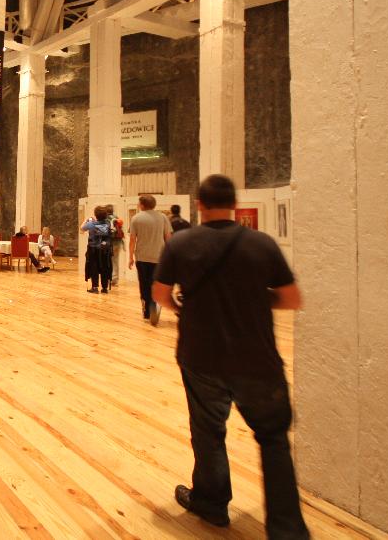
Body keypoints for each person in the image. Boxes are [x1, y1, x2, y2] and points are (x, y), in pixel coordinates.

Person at [152, 174, 308, 539]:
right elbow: (291, 299)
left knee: (208, 432)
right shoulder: (261, 243)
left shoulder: (182, 243)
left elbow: (160, 294)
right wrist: (254, 299)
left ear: (200, 205)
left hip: (201, 355)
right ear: (235, 205)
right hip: (257, 359)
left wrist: (181, 307)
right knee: (273, 439)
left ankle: (212, 503)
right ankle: (287, 528)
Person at [129, 194, 172, 323]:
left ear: (142, 205)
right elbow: (168, 237)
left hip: (142, 257)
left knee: (144, 284)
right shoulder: (163, 217)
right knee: (155, 283)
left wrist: (130, 257)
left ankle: (147, 311)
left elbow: (132, 240)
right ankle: (154, 305)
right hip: (159, 257)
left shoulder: (136, 218)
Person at [81, 206, 113, 293]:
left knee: (93, 267)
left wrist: (86, 220)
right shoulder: (107, 224)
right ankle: (104, 288)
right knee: (105, 268)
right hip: (104, 250)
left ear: (96, 214)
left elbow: (82, 228)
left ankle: (95, 287)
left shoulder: (91, 224)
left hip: (93, 249)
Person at [107, 204, 124, 286]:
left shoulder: (106, 219)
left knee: (107, 261)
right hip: (118, 242)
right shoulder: (117, 218)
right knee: (115, 261)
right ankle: (115, 279)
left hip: (110, 243)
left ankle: (108, 279)